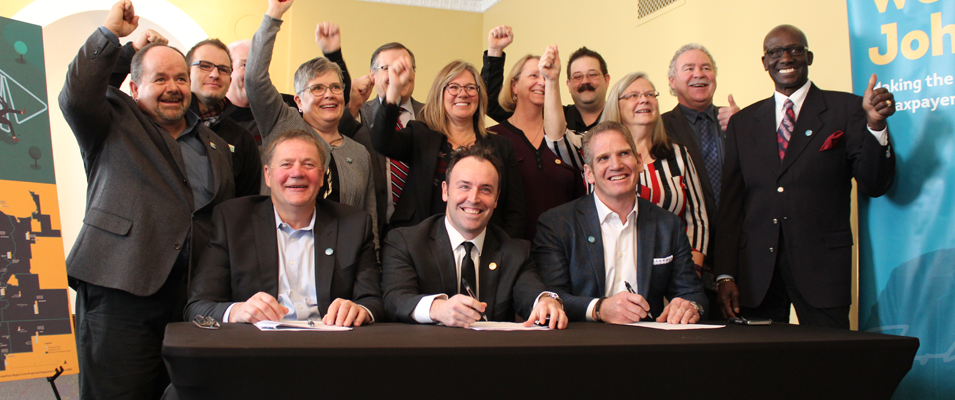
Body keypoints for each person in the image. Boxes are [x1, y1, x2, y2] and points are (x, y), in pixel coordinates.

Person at [58, 1, 235, 398]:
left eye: (180, 79)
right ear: (135, 88)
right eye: (160, 79)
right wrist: (111, 36)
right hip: (120, 288)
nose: (173, 88)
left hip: (189, 299)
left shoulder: (217, 146)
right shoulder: (113, 120)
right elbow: (77, 94)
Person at [715, 25, 896, 329]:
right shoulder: (743, 123)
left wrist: (876, 125)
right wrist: (724, 273)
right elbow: (731, 205)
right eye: (775, 52)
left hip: (822, 271)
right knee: (759, 369)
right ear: (764, 62)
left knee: (828, 366)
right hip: (756, 274)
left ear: (809, 56)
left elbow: (874, 184)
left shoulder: (847, 109)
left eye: (795, 49)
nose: (785, 57)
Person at [185, 129, 383, 326]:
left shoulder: (354, 225)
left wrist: (360, 310)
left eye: (308, 164)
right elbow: (198, 306)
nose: (297, 173)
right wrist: (238, 311)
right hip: (259, 349)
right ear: (268, 175)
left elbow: (372, 300)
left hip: (330, 346)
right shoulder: (232, 221)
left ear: (322, 176)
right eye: (286, 164)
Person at [534, 121, 706, 324]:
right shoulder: (557, 224)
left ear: (639, 161)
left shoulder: (668, 225)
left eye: (624, 154)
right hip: (581, 344)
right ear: (589, 173)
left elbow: (692, 293)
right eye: (603, 158)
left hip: (649, 344)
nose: (616, 165)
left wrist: (690, 306)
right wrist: (599, 309)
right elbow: (552, 295)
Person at [381, 145, 566, 328]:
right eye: (464, 186)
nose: (474, 198)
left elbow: (531, 294)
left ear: (496, 199)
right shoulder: (406, 242)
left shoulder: (516, 252)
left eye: (485, 189)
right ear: (445, 191)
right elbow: (394, 298)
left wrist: (545, 301)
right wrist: (438, 309)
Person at [246, 0, 377, 243]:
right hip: (280, 257)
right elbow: (255, 80)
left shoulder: (359, 153)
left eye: (335, 87)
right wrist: (273, 14)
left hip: (341, 265)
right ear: (298, 100)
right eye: (317, 88)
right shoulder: (283, 125)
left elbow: (369, 222)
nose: (329, 94)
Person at [370, 56, 526, 239]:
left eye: (470, 87)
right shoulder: (420, 134)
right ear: (440, 93)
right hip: (420, 243)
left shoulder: (502, 146)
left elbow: (515, 212)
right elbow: (382, 141)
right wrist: (393, 92)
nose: (463, 94)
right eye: (453, 87)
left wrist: (503, 253)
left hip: (483, 249)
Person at [661, 43, 738, 319]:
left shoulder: (738, 121)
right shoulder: (659, 129)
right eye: (689, 68)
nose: (699, 74)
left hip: (741, 255)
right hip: (688, 260)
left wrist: (745, 130)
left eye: (706, 68)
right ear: (672, 81)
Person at [482, 44, 585, 239]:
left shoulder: (566, 140)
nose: (542, 82)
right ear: (514, 86)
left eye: (546, 76)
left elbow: (581, 200)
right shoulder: (492, 138)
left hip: (564, 250)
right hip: (511, 252)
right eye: (534, 76)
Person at [326, 40, 425, 238]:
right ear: (372, 75)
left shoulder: (432, 116)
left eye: (404, 68)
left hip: (422, 231)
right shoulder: (358, 113)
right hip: (368, 230)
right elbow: (332, 143)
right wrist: (352, 106)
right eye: (387, 68)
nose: (397, 75)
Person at [184, 39, 262, 197]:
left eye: (223, 69)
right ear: (186, 73)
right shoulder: (165, 120)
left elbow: (245, 205)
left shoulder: (242, 140)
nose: (214, 74)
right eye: (204, 66)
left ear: (229, 80)